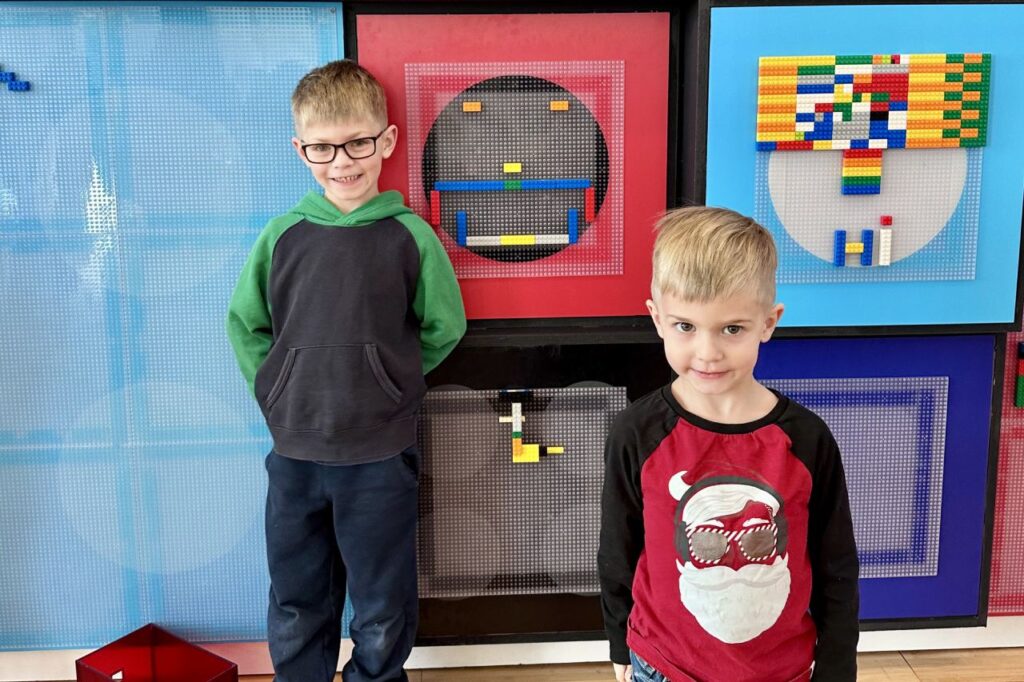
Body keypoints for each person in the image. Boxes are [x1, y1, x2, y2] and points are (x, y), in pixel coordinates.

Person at [226, 59, 466, 682]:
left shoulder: (411, 237)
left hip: (379, 455)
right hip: (295, 452)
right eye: (323, 148)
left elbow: (444, 328)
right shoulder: (282, 236)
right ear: (299, 149)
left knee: (383, 599)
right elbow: (247, 325)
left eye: (358, 142)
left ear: (386, 141)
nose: (342, 161)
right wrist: (278, 392)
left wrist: (390, 384)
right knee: (297, 592)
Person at [598, 206, 859, 682]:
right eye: (685, 327)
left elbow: (835, 562)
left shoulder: (807, 439)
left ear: (769, 322)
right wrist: (619, 643)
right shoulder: (636, 432)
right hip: (664, 667)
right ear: (656, 318)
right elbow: (618, 547)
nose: (707, 352)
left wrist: (838, 663)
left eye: (731, 329)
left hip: (784, 671)